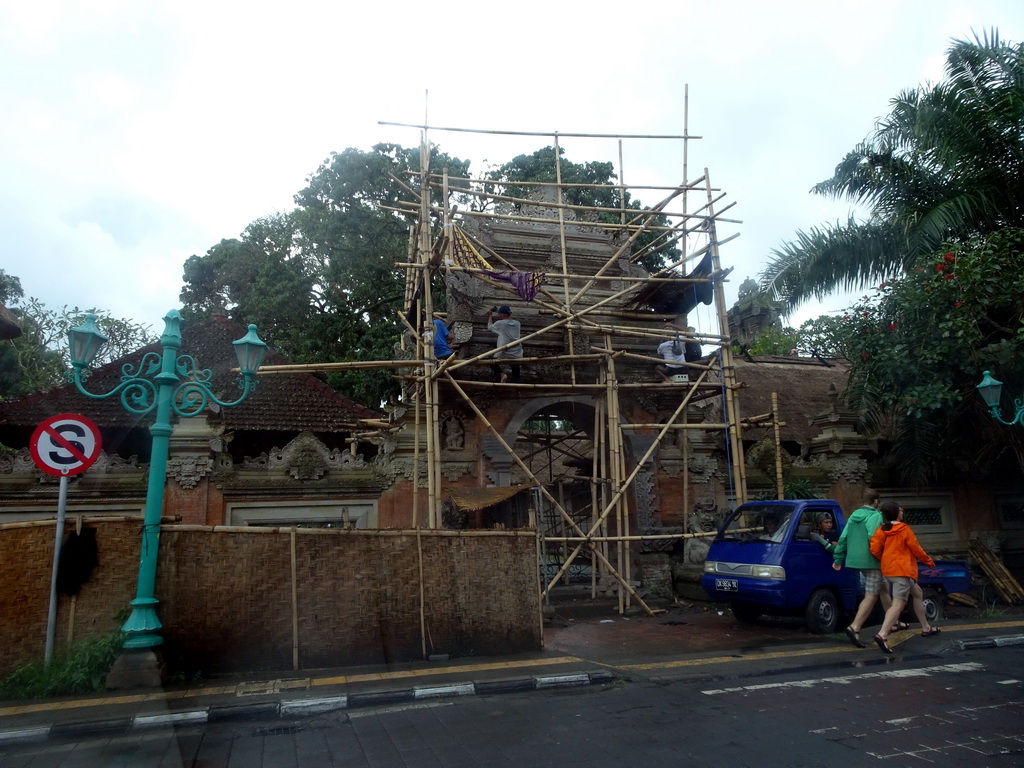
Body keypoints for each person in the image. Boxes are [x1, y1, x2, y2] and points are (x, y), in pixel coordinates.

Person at [869, 501, 939, 654]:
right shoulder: (904, 529)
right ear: (896, 513)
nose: (903, 511)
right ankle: (883, 634)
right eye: (900, 510)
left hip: (888, 571)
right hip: (903, 571)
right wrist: (928, 561)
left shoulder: (882, 529)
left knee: (918, 593)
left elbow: (874, 549)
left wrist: (886, 558)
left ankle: (926, 627)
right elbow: (916, 548)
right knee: (898, 605)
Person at [831, 488, 897, 648]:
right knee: (871, 595)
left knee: (883, 588)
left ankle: (893, 621)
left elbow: (844, 537)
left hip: (856, 560)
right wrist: (884, 556)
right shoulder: (875, 515)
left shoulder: (854, 515)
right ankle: (855, 627)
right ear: (876, 502)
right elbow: (874, 537)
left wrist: (838, 557)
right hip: (871, 560)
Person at [486, 305, 522, 383]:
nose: (498, 316)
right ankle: (517, 385)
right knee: (516, 367)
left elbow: (490, 327)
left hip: (504, 353)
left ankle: (501, 374)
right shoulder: (517, 323)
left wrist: (490, 315)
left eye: (499, 314)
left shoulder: (500, 323)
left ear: (504, 315)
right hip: (517, 353)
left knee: (491, 361)